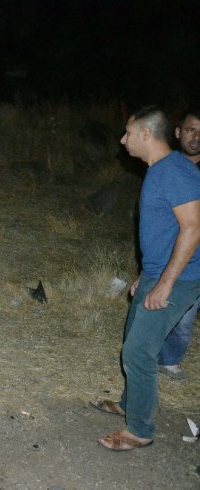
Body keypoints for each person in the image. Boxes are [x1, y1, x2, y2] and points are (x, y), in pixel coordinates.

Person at [91, 106, 200, 451]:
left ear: (146, 135)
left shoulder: (175, 173)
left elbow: (193, 228)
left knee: (138, 352)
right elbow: (164, 232)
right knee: (134, 340)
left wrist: (165, 283)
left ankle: (140, 430)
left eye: (128, 133)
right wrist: (145, 274)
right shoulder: (160, 169)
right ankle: (128, 403)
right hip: (157, 272)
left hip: (180, 278)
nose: (123, 140)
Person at [158, 109, 200, 380]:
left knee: (187, 311)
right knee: (181, 314)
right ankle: (167, 359)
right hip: (174, 250)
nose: (196, 137)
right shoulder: (166, 166)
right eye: (190, 130)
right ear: (177, 132)